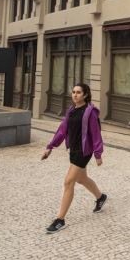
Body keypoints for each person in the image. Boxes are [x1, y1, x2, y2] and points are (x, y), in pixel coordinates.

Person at [42, 83, 107, 233]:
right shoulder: (71, 111)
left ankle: (60, 220)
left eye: (78, 92)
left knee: (69, 181)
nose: (75, 95)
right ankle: (100, 197)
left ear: (85, 95)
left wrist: (98, 154)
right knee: (81, 179)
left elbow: (96, 133)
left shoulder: (90, 112)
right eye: (73, 92)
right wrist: (50, 147)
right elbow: (62, 130)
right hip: (74, 149)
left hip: (84, 151)